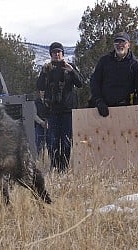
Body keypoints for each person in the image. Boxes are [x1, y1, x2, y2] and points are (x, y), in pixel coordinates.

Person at [36, 42, 84, 172]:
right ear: (51, 55)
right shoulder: (47, 69)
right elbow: (39, 86)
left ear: (62, 54)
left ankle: (64, 167)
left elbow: (80, 83)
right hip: (52, 111)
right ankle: (55, 166)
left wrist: (72, 71)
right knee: (53, 141)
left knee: (67, 141)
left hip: (68, 111)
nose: (57, 55)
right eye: (54, 52)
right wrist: (44, 73)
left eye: (59, 52)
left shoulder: (70, 67)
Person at [91, 31, 138, 117]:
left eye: (123, 42)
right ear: (113, 45)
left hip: (126, 111)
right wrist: (99, 101)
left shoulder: (135, 65)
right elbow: (95, 82)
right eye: (117, 42)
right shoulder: (104, 61)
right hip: (103, 110)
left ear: (128, 45)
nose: (119, 44)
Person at [34, 90, 50, 156]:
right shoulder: (35, 102)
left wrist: (48, 123)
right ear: (39, 92)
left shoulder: (50, 101)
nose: (43, 93)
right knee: (38, 145)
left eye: (44, 91)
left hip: (49, 125)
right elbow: (33, 114)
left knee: (50, 145)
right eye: (42, 91)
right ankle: (38, 161)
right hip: (39, 125)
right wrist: (41, 122)